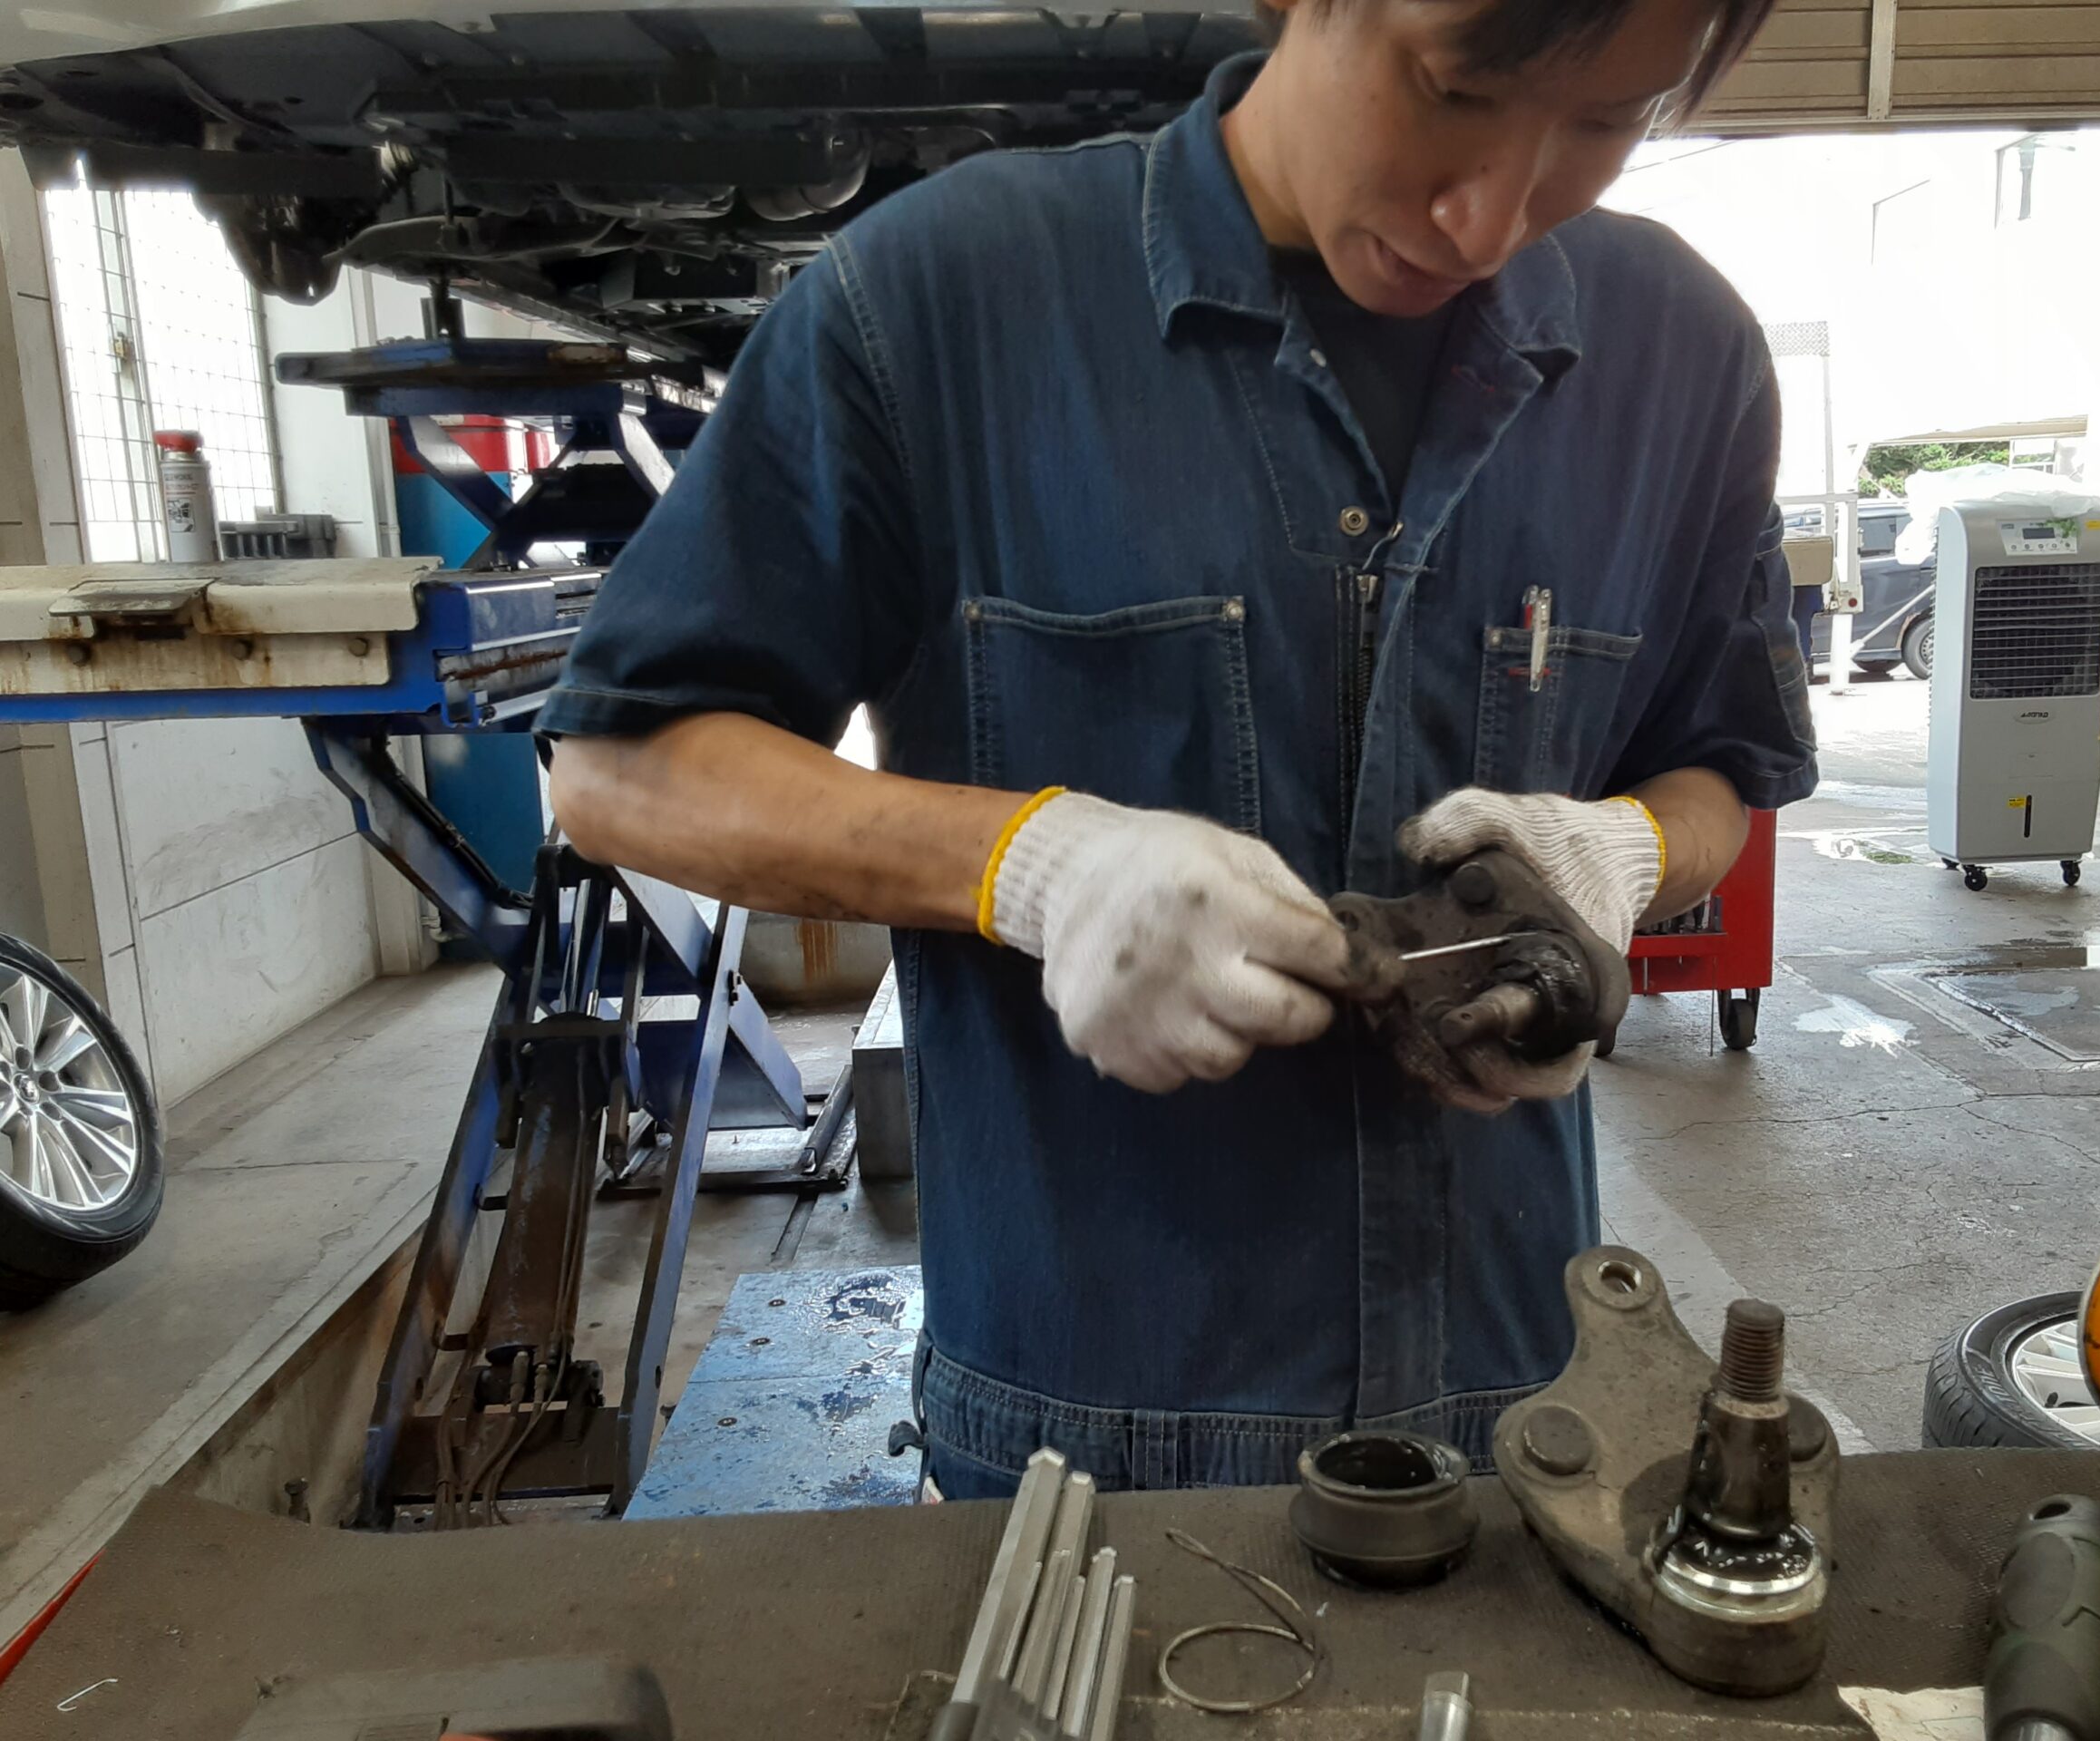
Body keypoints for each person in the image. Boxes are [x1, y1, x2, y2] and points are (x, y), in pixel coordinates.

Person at [540, 0, 1816, 1500]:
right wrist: (1031, 866)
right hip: (1083, 1439)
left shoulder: (1681, 360)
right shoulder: (943, 299)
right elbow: (620, 767)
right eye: (1454, 89)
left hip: (1517, 1414)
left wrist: (1624, 853)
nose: (1491, 216)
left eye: (1606, 121)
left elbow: (1720, 769)